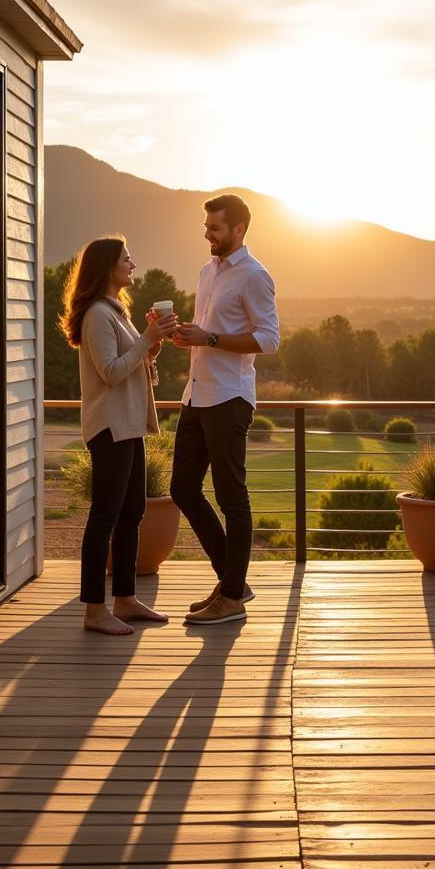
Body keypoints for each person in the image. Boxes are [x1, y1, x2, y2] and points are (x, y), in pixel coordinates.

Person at [60, 236, 179, 635]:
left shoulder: (117, 312)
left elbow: (130, 362)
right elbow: (110, 372)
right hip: (110, 426)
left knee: (132, 513)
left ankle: (125, 600)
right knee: (105, 518)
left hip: (127, 425)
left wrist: (152, 343)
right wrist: (146, 339)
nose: (133, 263)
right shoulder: (97, 314)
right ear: (109, 266)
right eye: (127, 258)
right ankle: (95, 610)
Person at [170, 193, 280, 625]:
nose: (207, 234)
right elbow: (207, 332)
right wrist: (186, 335)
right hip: (196, 396)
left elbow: (269, 339)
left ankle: (232, 596)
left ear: (238, 230)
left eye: (214, 228)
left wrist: (210, 339)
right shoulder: (206, 272)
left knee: (232, 496)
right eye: (206, 227)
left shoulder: (255, 275)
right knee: (182, 488)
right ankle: (233, 581)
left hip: (229, 398)